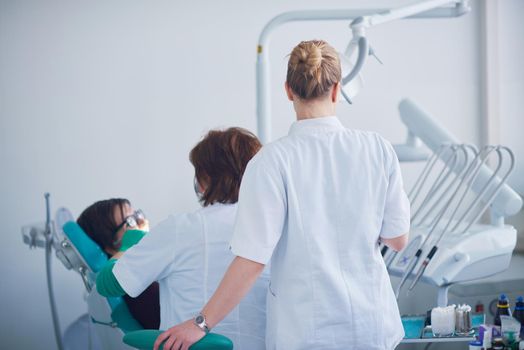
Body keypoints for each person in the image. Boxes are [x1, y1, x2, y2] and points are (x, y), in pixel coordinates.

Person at [156, 40, 410, 350]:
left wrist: (200, 324)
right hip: (372, 327)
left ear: (288, 90)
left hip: (308, 333)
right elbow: (398, 240)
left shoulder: (271, 161)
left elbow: (251, 260)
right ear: (336, 90)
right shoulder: (377, 149)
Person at [96, 127, 269, 349]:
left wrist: (131, 241)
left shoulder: (181, 229)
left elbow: (107, 285)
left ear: (204, 178)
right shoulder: (275, 229)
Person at [77, 198, 160, 329]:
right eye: (130, 221)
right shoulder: (139, 287)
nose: (142, 222)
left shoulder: (151, 269)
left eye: (136, 215)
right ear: (110, 246)